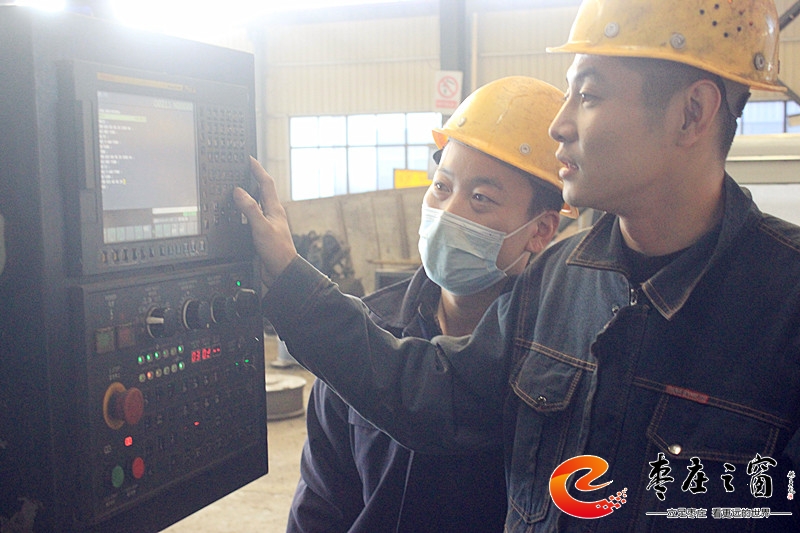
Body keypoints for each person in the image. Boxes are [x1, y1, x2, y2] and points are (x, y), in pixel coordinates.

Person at [235, 0, 800, 530]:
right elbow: (430, 398)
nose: (560, 125)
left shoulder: (785, 304)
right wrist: (289, 279)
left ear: (691, 113)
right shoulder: (558, 280)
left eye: (589, 94)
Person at [285, 76, 572, 533]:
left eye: (480, 198)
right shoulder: (364, 332)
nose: (449, 212)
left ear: (540, 230)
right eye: (441, 186)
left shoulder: (559, 356)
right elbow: (321, 503)